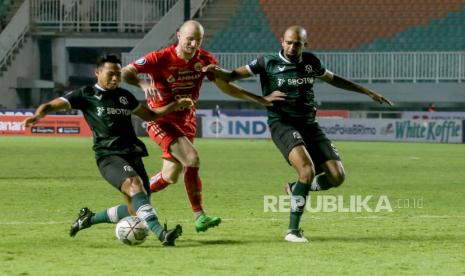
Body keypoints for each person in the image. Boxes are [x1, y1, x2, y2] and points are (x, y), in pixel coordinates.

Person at [205, 25, 394, 243]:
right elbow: (231, 76)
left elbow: (334, 79)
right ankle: (292, 231)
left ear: (305, 44)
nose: (292, 47)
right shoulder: (266, 62)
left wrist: (366, 90)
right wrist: (217, 72)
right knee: (307, 169)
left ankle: (296, 189)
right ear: (281, 41)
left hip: (310, 125)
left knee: (337, 177)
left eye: (298, 43)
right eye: (289, 42)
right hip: (282, 124)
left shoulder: (311, 63)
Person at [121, 20, 283, 233]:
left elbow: (226, 87)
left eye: (198, 40)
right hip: (160, 119)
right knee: (192, 158)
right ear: (178, 35)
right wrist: (143, 84)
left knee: (170, 176)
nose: (194, 43)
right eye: (190, 39)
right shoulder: (159, 57)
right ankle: (199, 216)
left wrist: (259, 99)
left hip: (186, 121)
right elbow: (126, 72)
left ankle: (134, 199)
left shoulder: (204, 59)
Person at [23, 55, 193, 246]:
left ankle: (88, 219)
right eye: (111, 74)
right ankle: (162, 234)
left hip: (133, 153)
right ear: (97, 72)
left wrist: (176, 105)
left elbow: (151, 115)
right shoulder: (86, 94)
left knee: (135, 209)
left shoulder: (124, 96)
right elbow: (49, 105)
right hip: (109, 155)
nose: (115, 79)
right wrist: (37, 117)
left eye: (118, 75)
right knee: (134, 184)